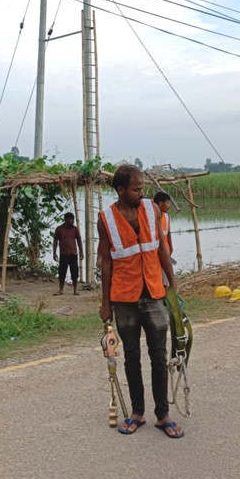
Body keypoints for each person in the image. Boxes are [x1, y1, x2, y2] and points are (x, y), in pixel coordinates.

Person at [98, 165, 183, 439]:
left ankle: (163, 415)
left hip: (154, 294)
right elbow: (106, 262)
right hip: (124, 298)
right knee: (131, 357)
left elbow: (161, 248)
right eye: (136, 189)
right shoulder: (106, 219)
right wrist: (105, 303)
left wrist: (173, 287)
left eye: (142, 187)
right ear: (120, 190)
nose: (141, 193)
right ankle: (137, 413)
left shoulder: (152, 209)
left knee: (159, 356)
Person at [52, 213, 83, 295]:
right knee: (62, 272)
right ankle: (61, 289)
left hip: (73, 254)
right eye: (70, 219)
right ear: (65, 220)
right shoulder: (59, 229)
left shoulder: (75, 229)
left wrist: (81, 251)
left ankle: (75, 290)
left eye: (72, 219)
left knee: (75, 273)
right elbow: (55, 241)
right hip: (63, 254)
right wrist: (54, 253)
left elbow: (79, 240)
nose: (72, 221)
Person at [153, 191, 173, 257]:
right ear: (161, 203)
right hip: (155, 253)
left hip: (166, 251)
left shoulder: (166, 216)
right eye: (167, 203)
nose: (169, 206)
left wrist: (171, 248)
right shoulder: (151, 217)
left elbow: (168, 233)